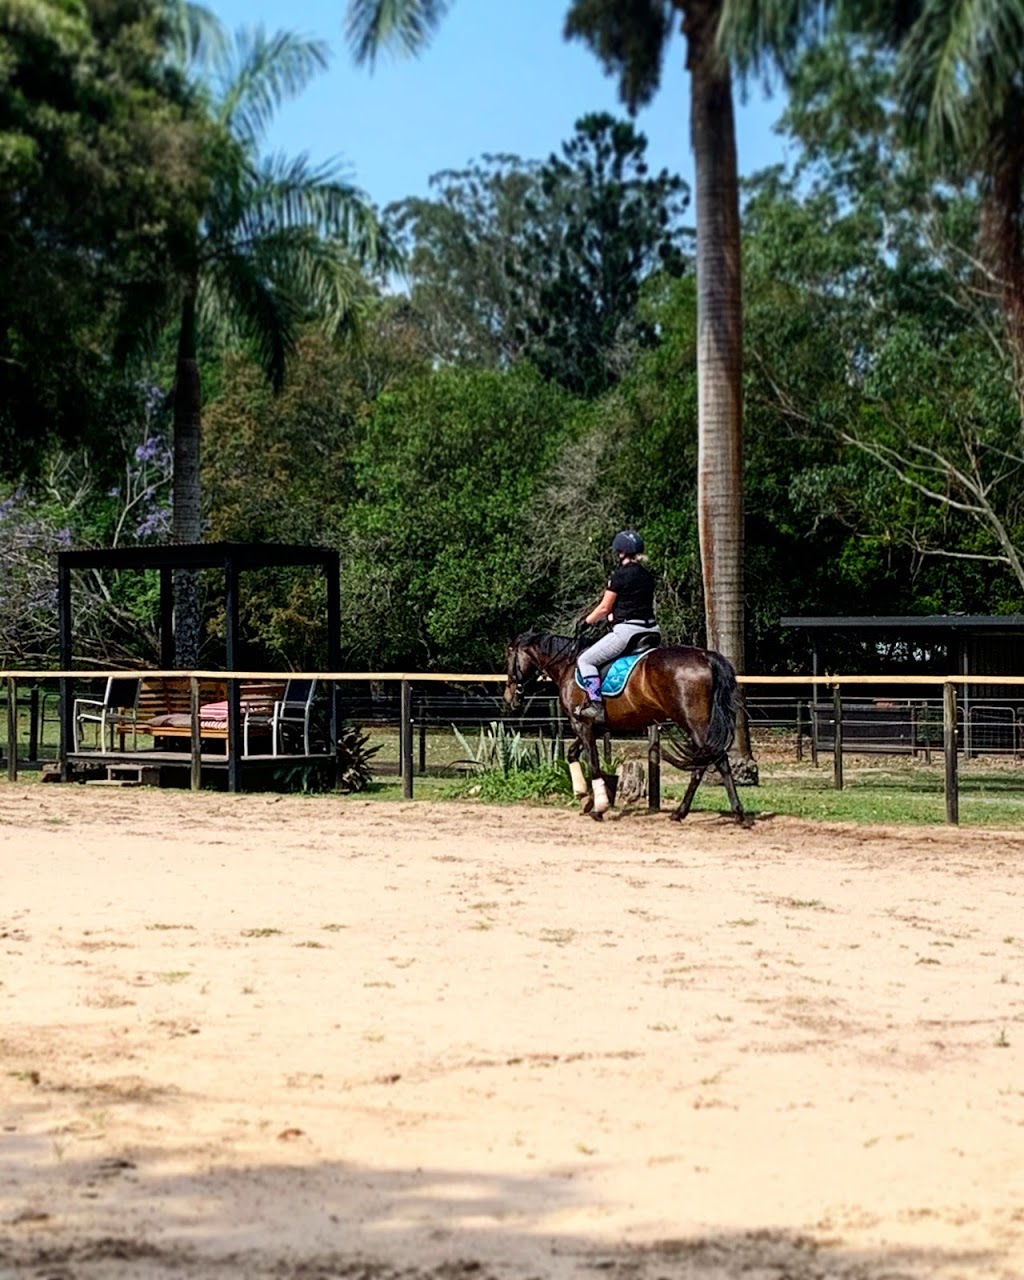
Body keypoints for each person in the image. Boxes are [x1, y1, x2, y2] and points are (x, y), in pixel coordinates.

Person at [576, 529, 660, 724]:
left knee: (585, 660)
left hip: (628, 632)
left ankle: (596, 705)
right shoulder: (647, 575)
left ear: (620, 552)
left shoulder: (619, 576)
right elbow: (633, 603)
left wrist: (586, 621)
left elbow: (605, 607)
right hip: (652, 631)